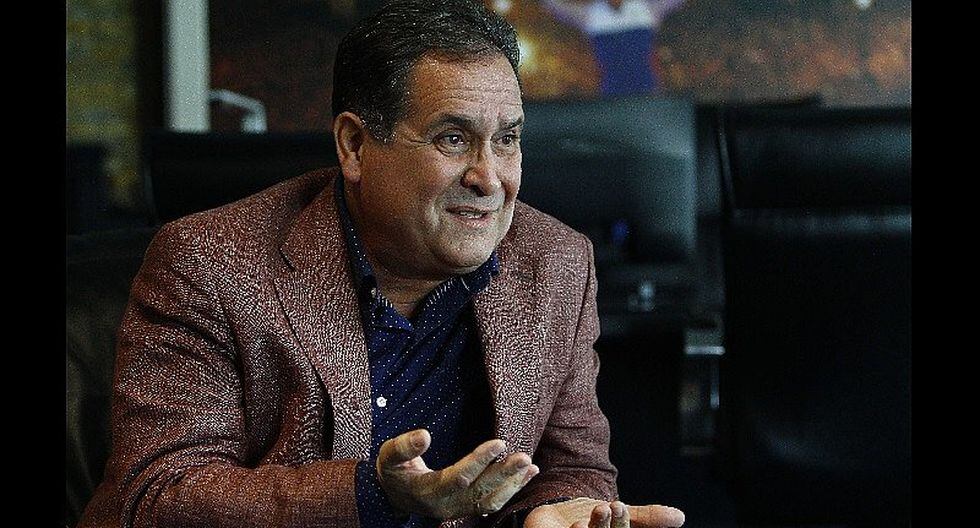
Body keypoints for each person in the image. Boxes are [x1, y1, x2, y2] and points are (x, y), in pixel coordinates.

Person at [78, 1, 686, 527]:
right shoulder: (206, 263)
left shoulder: (555, 262)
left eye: (507, 139)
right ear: (354, 146)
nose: (490, 178)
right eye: (452, 139)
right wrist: (376, 495)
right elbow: (156, 498)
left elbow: (573, 466)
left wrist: (557, 511)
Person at [543, 0, 686, 96]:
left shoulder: (647, 9)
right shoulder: (591, 14)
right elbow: (553, 5)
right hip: (612, 93)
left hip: (647, 90)